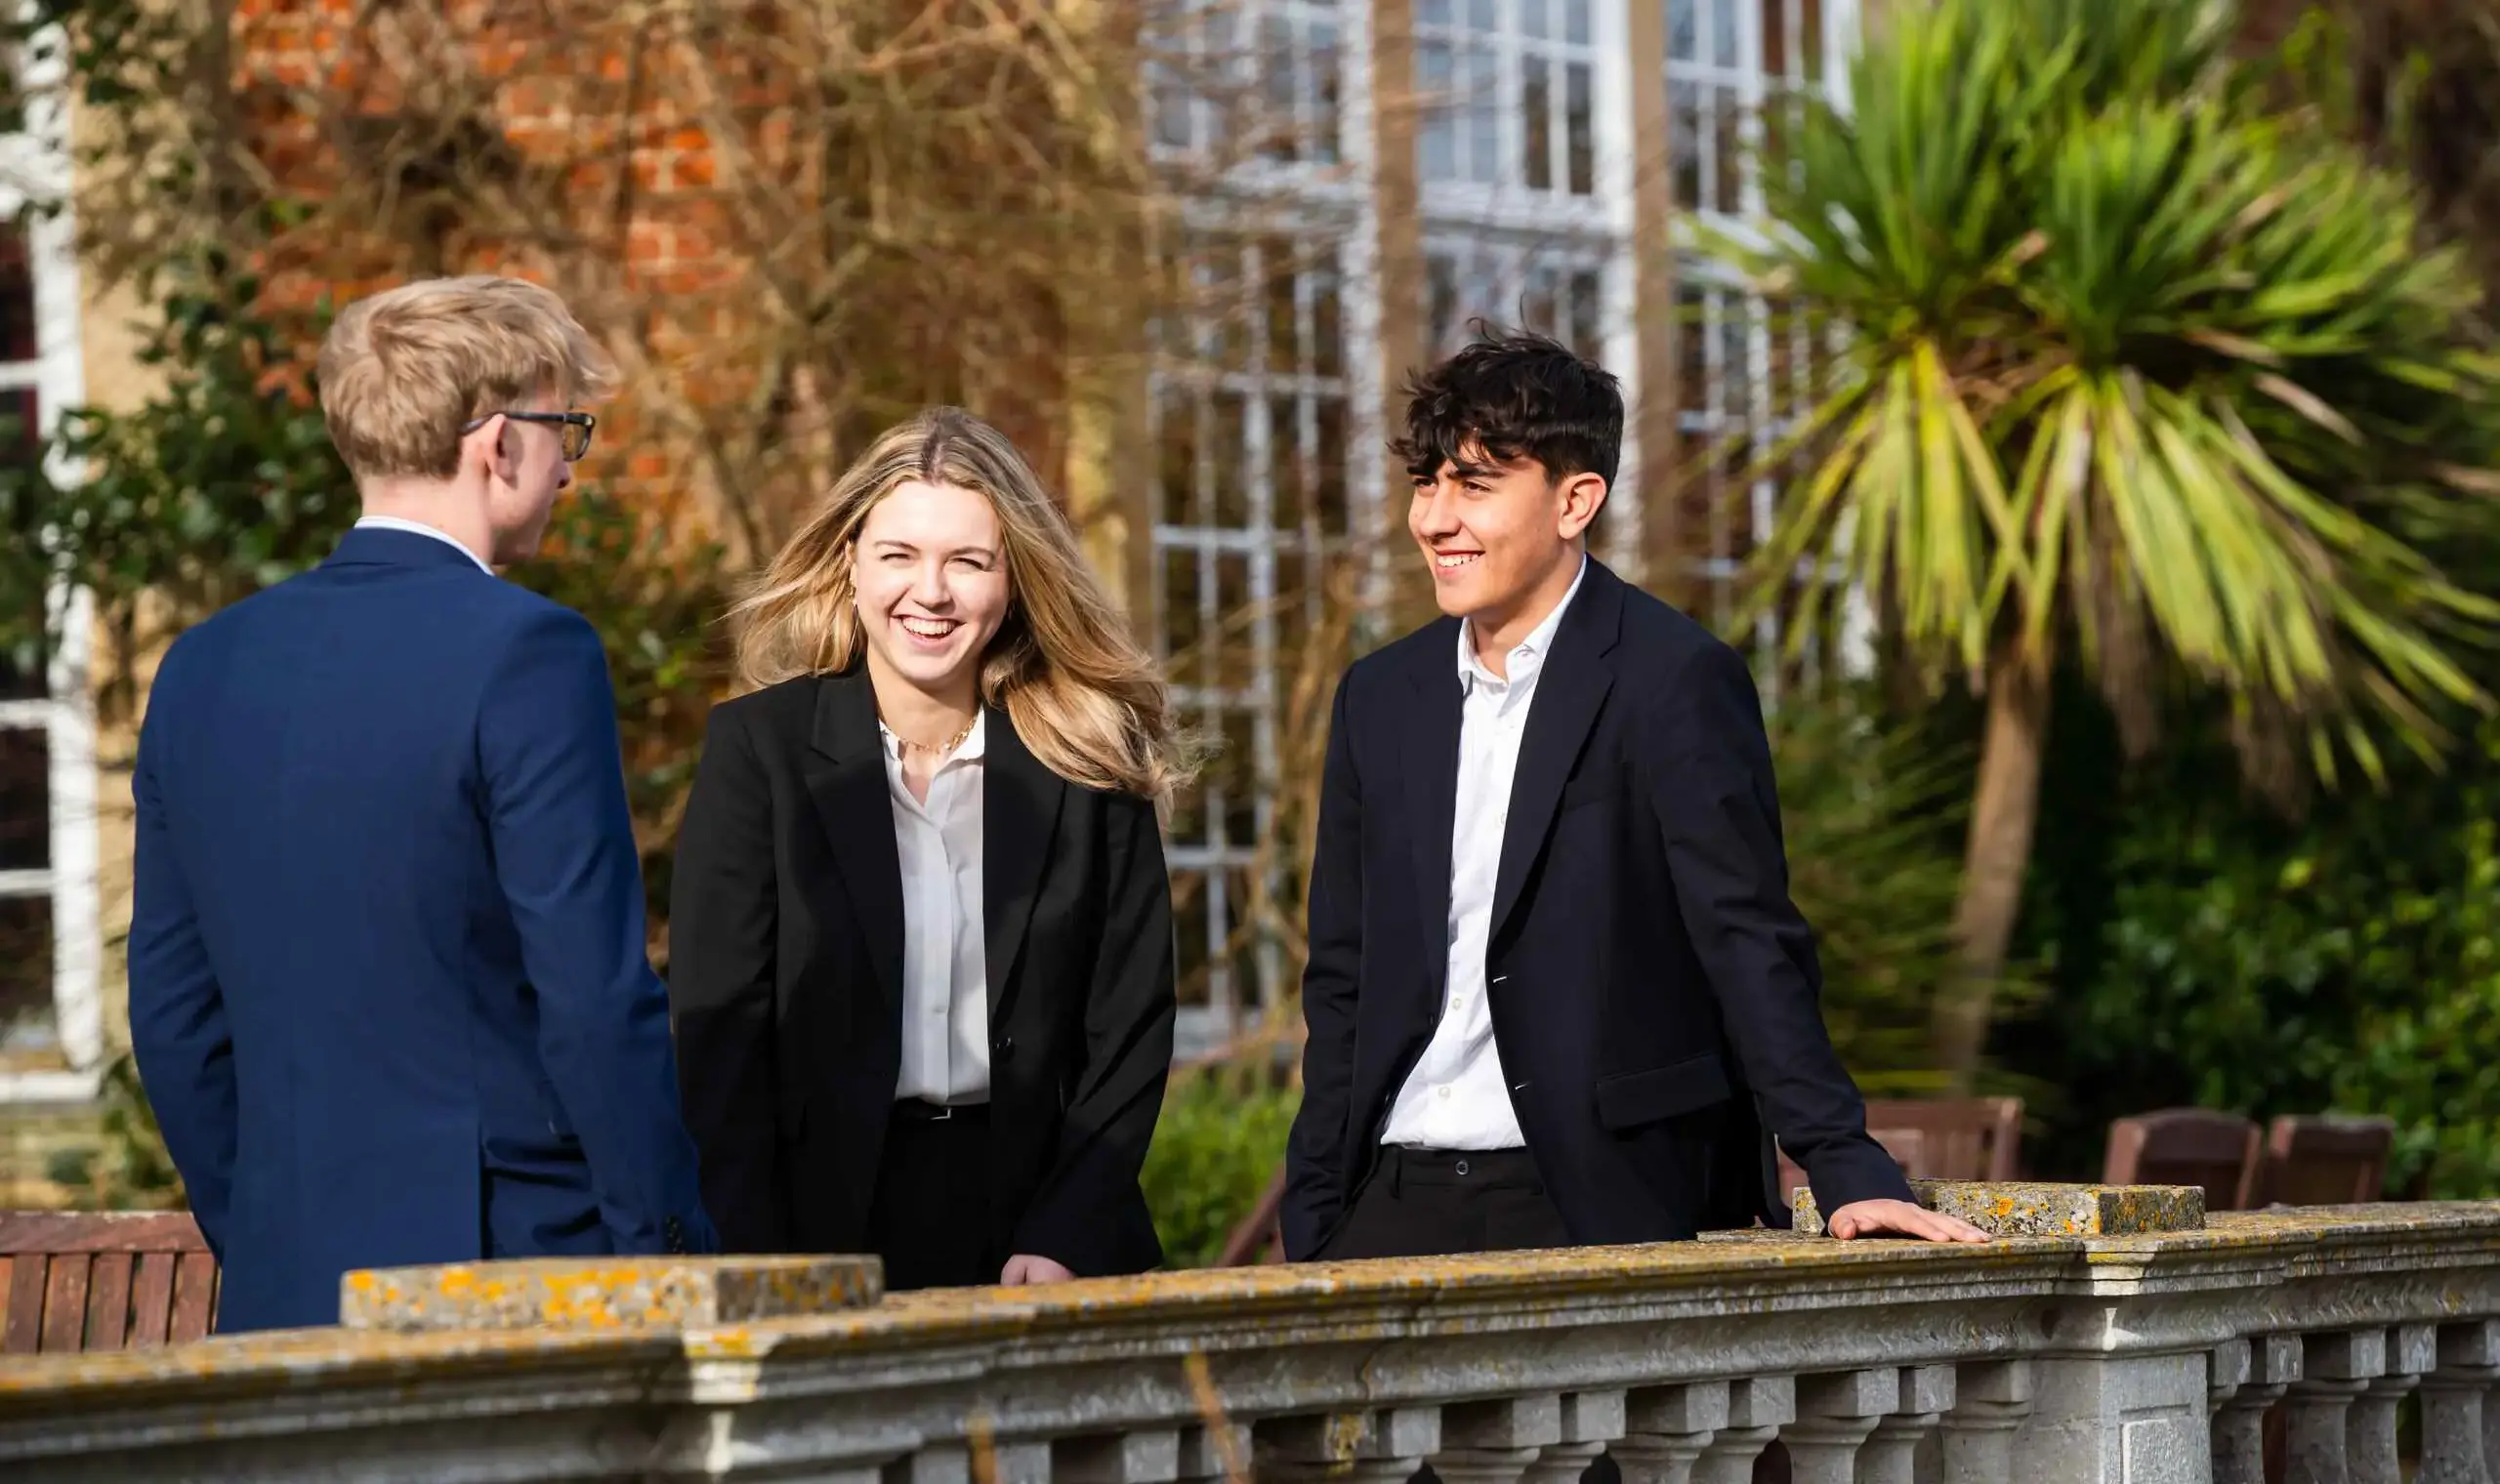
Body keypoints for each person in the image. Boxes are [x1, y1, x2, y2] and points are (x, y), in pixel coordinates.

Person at [1280, 329, 1988, 1261]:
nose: (1437, 519)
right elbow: (1344, 971)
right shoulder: (1379, 698)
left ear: (1578, 500)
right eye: (1428, 483)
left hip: (1593, 1197)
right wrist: (1316, 1207)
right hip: (1390, 1196)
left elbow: (1746, 936)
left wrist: (1839, 1159)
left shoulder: (1673, 678)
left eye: (1476, 485)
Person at [128, 275, 717, 1334]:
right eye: (563, 430)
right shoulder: (529, 651)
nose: (569, 467)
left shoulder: (200, 668)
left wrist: (263, 1225)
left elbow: (174, 1021)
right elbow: (591, 995)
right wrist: (667, 1250)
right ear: (497, 444)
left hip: (283, 1281)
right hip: (509, 1273)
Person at [668, 406, 1188, 1290]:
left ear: (1014, 580)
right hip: (817, 1234)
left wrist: (1068, 1229)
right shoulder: (760, 751)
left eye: (968, 562)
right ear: (852, 564)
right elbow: (718, 1039)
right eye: (899, 555)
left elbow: (1131, 1027)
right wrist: (763, 1263)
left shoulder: (1091, 756)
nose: (931, 592)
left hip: (1040, 1233)